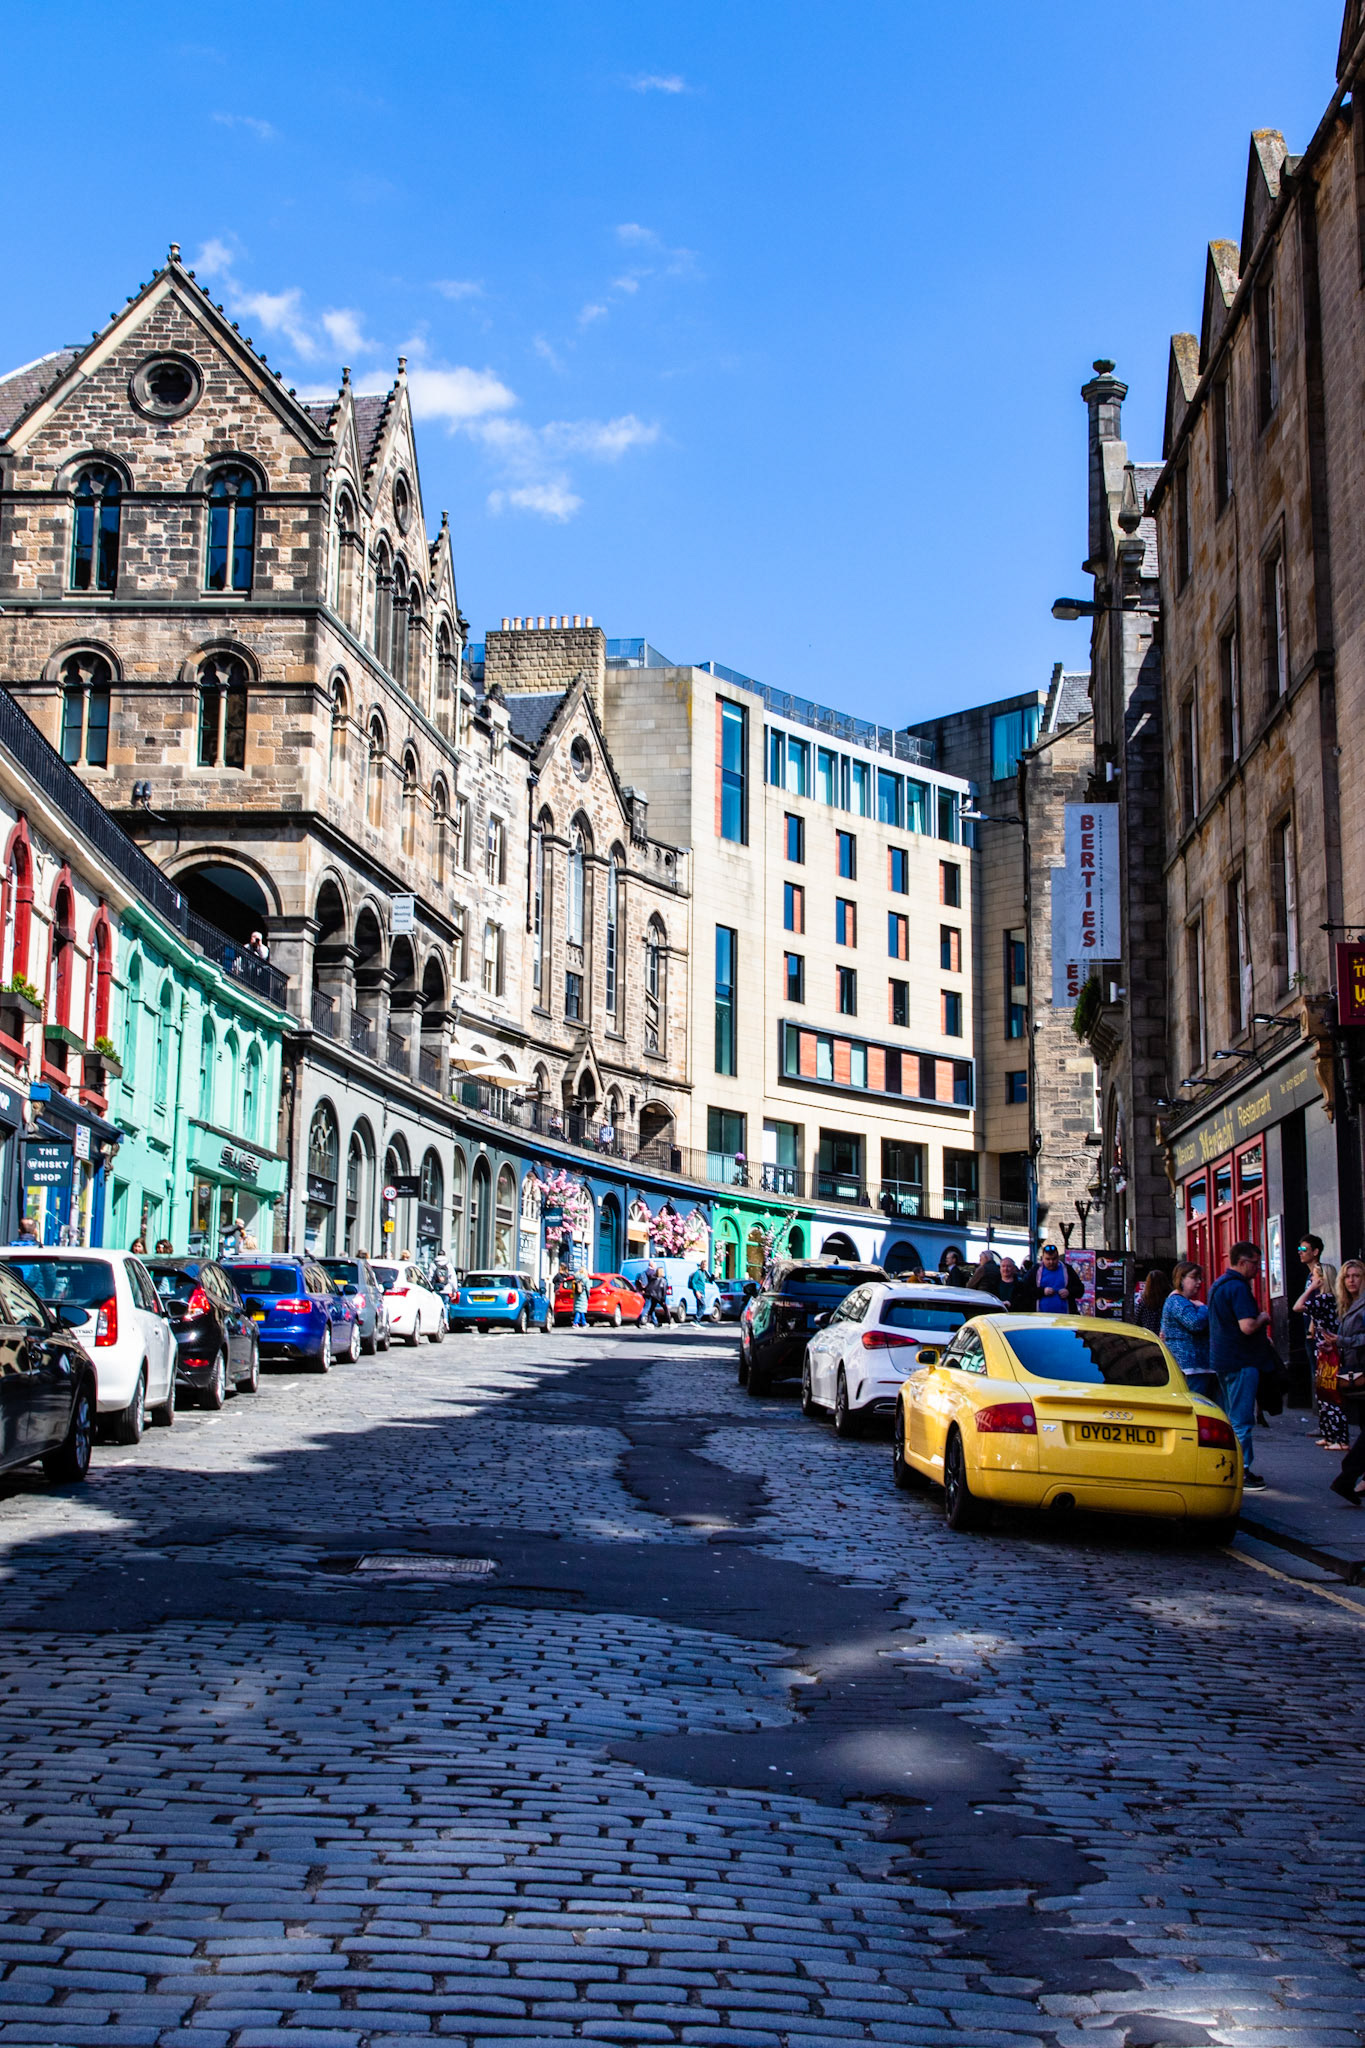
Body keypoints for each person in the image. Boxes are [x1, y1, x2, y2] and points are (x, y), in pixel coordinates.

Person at [1207, 1241, 1270, 1489]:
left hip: (1222, 1359)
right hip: (1241, 1359)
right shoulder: (1239, 1288)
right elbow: (1247, 1326)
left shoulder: (1218, 1285)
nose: (1257, 1268)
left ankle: (1230, 1467)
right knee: (1241, 1419)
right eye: (1255, 1263)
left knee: (1231, 1417)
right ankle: (1240, 1470)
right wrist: (1262, 1318)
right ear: (1243, 1262)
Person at [1292, 1259, 1346, 1449]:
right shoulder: (1332, 1299)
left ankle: (1338, 1438)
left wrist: (1310, 1289)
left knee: (1329, 1393)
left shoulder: (1324, 1299)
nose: (1311, 1280)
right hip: (1325, 1349)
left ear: (1322, 1279)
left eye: (1314, 1277)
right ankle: (1330, 1435)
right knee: (1324, 1392)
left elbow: (1297, 1306)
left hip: (1328, 1351)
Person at [1331, 1259, 1365, 1506]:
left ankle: (1348, 1475)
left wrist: (1341, 1341)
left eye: (1356, 1275)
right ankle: (1350, 1478)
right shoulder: (1347, 1304)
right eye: (1347, 1276)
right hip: (1354, 1374)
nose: (1351, 1280)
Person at [1160, 1262, 1215, 1398]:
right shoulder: (1177, 1302)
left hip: (1195, 1366)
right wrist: (1203, 1308)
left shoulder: (1181, 1301)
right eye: (1194, 1277)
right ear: (1181, 1279)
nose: (1199, 1282)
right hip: (1190, 1366)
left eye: (1200, 1278)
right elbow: (1195, 1323)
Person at [1034, 1243, 1083, 1312]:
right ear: (1043, 1259)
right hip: (1041, 1315)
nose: (1051, 1262)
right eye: (1048, 1259)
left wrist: (1069, 1292)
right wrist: (1042, 1291)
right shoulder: (1036, 1270)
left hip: (1065, 1315)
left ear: (1058, 1257)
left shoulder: (1067, 1269)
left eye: (1054, 1259)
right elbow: (1026, 1290)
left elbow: (1080, 1289)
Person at [1134, 1267, 1172, 1334]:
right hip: (1165, 1336)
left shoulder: (1143, 1302)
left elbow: (1137, 1321)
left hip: (1148, 1336)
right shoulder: (1170, 1301)